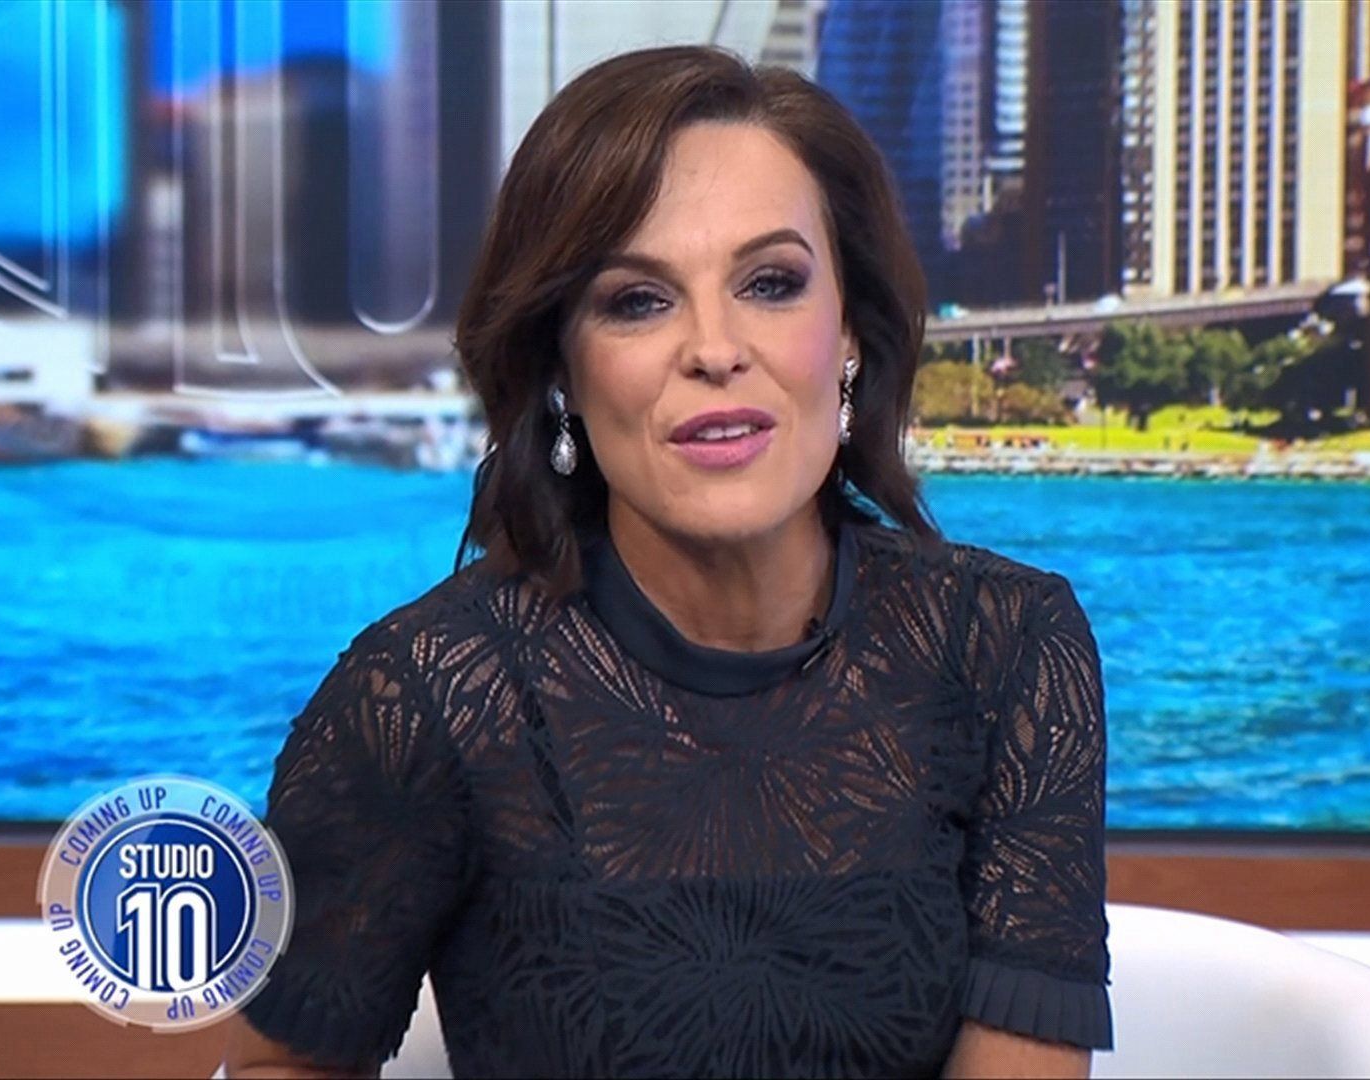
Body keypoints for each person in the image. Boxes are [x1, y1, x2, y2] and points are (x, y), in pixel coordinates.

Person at [225, 44, 1111, 1080]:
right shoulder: (426, 695)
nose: (715, 348)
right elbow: (284, 1065)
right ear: (561, 369)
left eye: (771, 283)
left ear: (852, 335)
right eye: (638, 300)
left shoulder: (1009, 651)